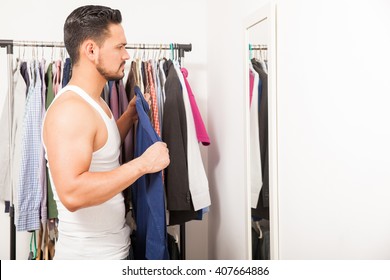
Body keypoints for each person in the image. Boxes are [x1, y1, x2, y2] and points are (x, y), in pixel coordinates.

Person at [42, 5, 170, 260]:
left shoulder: (94, 101)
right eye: (119, 47)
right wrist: (143, 164)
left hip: (112, 251)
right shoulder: (71, 110)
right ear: (91, 50)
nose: (126, 55)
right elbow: (72, 193)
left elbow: (101, 148)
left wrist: (128, 117)